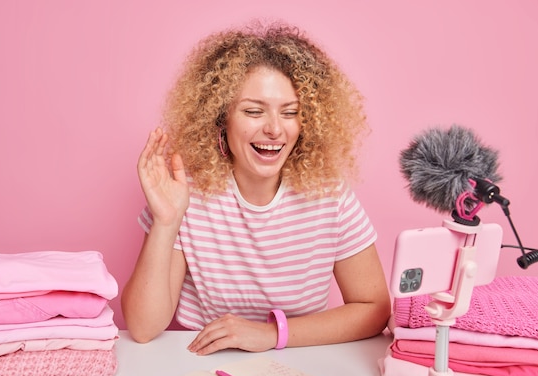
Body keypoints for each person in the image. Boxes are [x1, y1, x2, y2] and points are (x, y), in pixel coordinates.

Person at [121, 21, 391, 355]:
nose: (275, 129)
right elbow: (143, 328)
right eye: (253, 111)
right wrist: (166, 222)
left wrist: (271, 334)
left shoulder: (329, 193)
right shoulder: (186, 192)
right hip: (201, 366)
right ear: (222, 117)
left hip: (301, 366)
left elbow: (374, 308)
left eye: (290, 113)